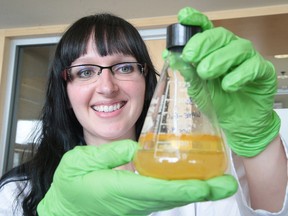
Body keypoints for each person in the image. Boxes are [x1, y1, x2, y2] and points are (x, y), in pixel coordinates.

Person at [0, 6, 287, 216]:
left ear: (146, 79)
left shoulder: (200, 166)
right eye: (86, 71)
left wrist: (258, 136)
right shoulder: (17, 192)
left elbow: (270, 210)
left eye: (124, 67)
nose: (106, 87)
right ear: (65, 92)